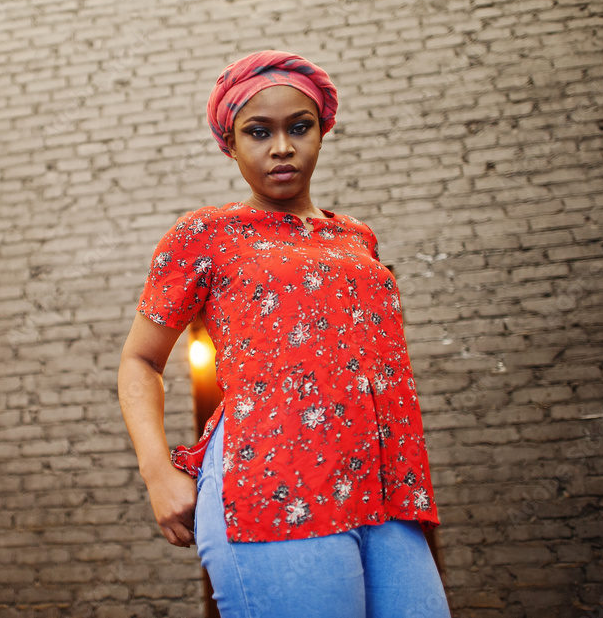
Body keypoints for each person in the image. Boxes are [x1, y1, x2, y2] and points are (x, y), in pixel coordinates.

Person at [118, 51, 451, 617]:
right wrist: (157, 472)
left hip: (387, 491)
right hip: (275, 484)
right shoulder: (207, 234)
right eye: (258, 132)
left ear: (322, 131)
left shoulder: (357, 238)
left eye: (300, 127)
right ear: (230, 143)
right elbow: (139, 362)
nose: (281, 147)